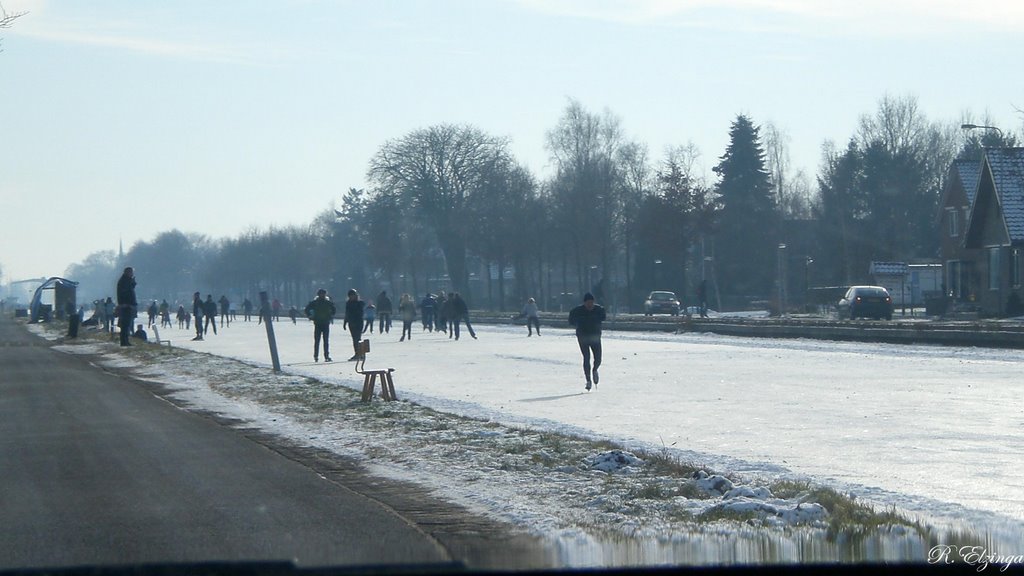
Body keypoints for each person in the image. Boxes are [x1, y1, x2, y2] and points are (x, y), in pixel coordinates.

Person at [568, 292, 606, 391]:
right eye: (588, 303)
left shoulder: (599, 309)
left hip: (595, 336)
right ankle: (588, 380)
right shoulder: (577, 311)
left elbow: (603, 316)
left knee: (598, 358)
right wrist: (578, 323)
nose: (590, 305)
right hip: (583, 336)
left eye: (591, 302)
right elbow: (570, 319)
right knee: (586, 357)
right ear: (584, 303)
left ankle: (595, 370)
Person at [304, 289, 336, 362]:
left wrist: (310, 316)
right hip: (321, 323)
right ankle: (320, 356)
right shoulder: (325, 303)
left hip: (322, 322)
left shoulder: (316, 302)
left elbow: (334, 310)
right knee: (321, 340)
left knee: (322, 340)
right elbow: (334, 310)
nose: (322, 295)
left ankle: (321, 356)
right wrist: (330, 316)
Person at [116, 267, 137, 347]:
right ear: (128, 272)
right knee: (126, 324)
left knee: (126, 324)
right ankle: (124, 341)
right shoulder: (125, 281)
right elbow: (126, 293)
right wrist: (127, 303)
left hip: (127, 305)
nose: (132, 274)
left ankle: (125, 341)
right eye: (131, 272)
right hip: (126, 305)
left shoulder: (125, 280)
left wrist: (133, 283)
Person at [342, 289, 366, 361]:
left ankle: (360, 354)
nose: (352, 297)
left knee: (358, 339)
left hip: (358, 322)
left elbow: (360, 313)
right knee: (354, 339)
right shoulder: (348, 303)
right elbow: (347, 313)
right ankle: (357, 353)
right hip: (351, 323)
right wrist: (345, 322)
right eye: (350, 296)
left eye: (353, 295)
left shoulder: (360, 303)